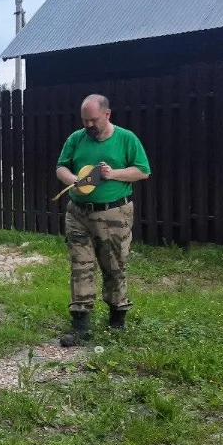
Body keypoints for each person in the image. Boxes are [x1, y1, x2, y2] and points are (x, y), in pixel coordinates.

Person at [54, 94, 151, 347]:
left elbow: (143, 171)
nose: (88, 125)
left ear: (107, 114)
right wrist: (72, 178)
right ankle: (80, 324)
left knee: (113, 265)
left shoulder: (126, 138)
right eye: (84, 120)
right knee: (80, 266)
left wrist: (113, 173)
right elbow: (61, 167)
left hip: (113, 214)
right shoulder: (76, 139)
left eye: (93, 120)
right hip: (78, 212)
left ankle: (117, 319)